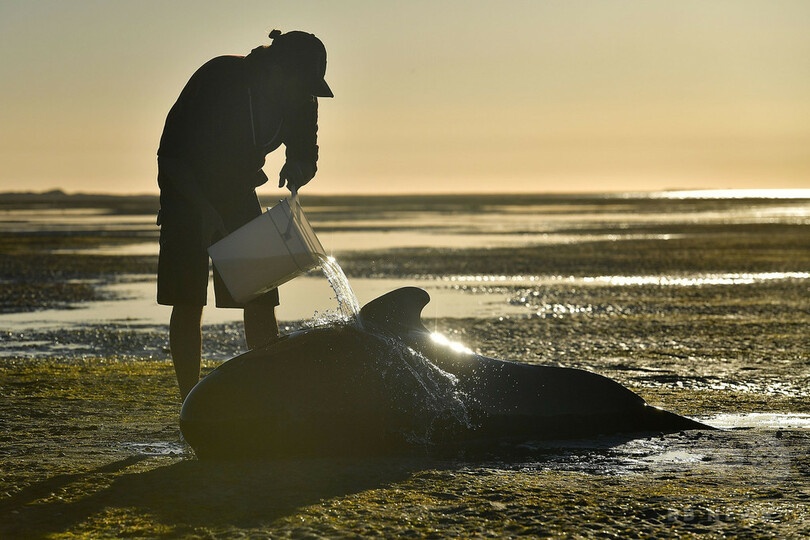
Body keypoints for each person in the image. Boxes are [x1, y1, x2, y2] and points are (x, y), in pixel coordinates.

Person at [157, 30, 333, 401]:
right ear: (276, 68)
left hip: (239, 192)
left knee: (260, 297)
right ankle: (190, 399)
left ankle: (268, 394)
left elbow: (306, 153)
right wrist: (199, 209)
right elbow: (170, 154)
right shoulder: (220, 76)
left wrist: (300, 168)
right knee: (188, 299)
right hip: (184, 190)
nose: (305, 94)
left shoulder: (302, 98)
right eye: (300, 83)